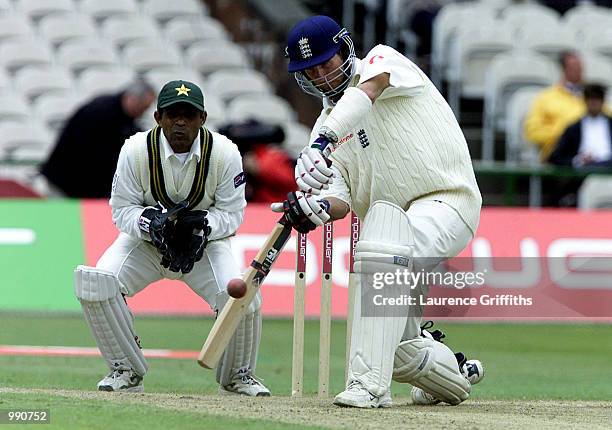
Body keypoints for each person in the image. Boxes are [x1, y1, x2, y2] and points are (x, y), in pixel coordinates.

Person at [276, 15, 484, 408]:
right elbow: (338, 199)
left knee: (381, 234)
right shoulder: (323, 130)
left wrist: (322, 142)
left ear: (344, 50)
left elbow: (366, 94)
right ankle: (453, 373)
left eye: (326, 62)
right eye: (310, 71)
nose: (321, 76)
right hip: (393, 235)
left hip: (449, 201)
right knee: (401, 351)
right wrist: (313, 207)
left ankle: (367, 386)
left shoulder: (382, 62)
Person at [73, 80, 270, 396]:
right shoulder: (135, 150)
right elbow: (121, 209)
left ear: (202, 118)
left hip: (205, 248)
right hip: (148, 246)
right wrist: (152, 224)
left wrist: (201, 225)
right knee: (96, 282)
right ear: (158, 117)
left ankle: (238, 376)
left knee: (240, 293)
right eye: (172, 114)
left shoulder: (224, 153)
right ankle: (124, 369)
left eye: (189, 115)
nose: (180, 123)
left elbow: (233, 214)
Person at [40, 78, 156, 198]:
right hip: (66, 182)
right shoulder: (100, 111)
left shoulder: (125, 121)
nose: (143, 113)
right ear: (132, 99)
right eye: (143, 108)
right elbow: (89, 152)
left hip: (82, 186)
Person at [524, 51, 585, 161]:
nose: (579, 71)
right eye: (574, 67)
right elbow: (533, 131)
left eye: (580, 67)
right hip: (559, 153)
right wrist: (564, 133)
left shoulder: (592, 96)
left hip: (590, 153)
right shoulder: (546, 97)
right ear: (564, 69)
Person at [219, 120, 296, 203]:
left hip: (273, 208)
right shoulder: (229, 157)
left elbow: (290, 182)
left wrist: (259, 169)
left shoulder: (271, 156)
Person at [549, 83, 612, 168]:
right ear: (585, 101)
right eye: (590, 98)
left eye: (597, 98)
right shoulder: (574, 128)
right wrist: (577, 160)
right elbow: (555, 157)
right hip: (583, 172)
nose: (593, 102)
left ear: (603, 101)